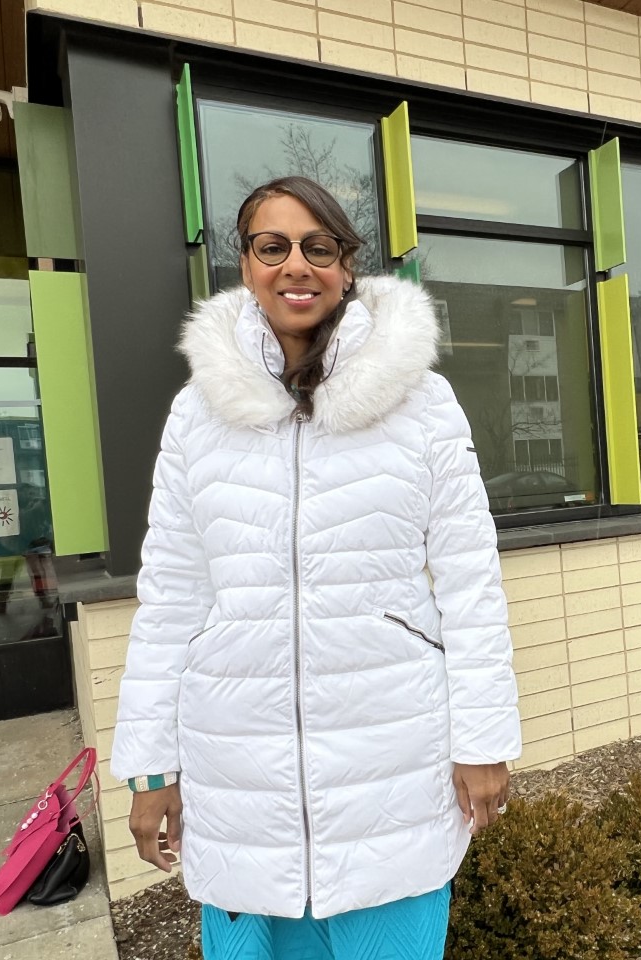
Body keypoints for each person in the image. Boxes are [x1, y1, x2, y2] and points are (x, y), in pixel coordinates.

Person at [111, 175, 522, 959]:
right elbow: (168, 598)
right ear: (246, 264)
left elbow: (471, 582)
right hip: (236, 772)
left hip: (389, 765)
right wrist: (148, 768)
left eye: (318, 247)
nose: (295, 265)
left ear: (346, 265)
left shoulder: (422, 404)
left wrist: (483, 739)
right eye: (273, 247)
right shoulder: (197, 414)